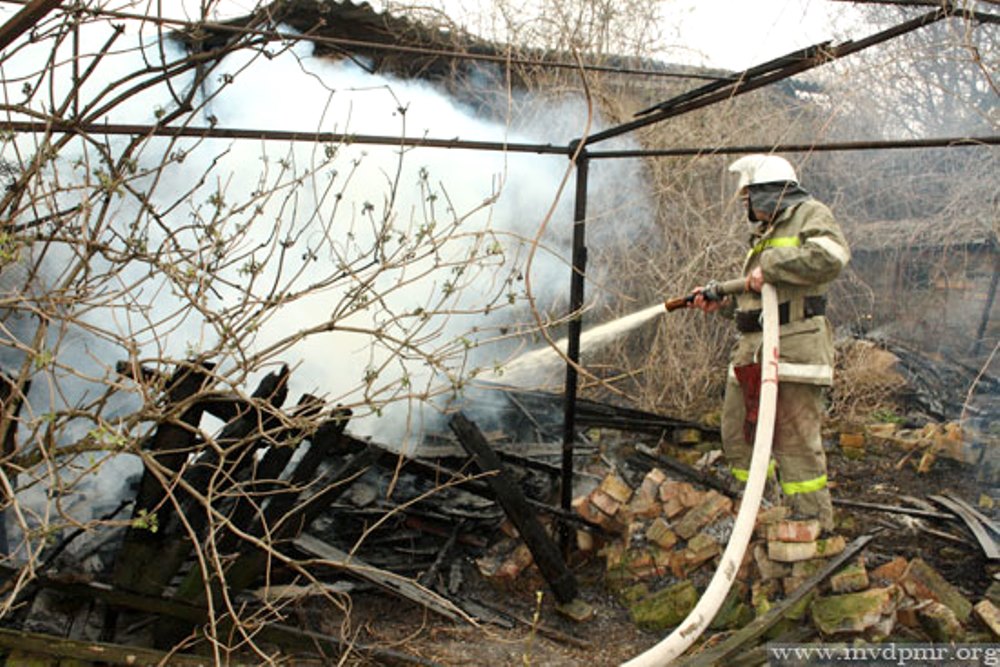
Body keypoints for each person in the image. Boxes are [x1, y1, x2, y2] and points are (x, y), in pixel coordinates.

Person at [689, 154, 850, 531]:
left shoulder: (810, 214)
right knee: (738, 435)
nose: (746, 205)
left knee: (794, 440)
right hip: (752, 352)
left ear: (769, 192)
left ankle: (811, 523)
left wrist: (773, 266)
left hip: (794, 348)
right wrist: (724, 304)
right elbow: (760, 302)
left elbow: (832, 257)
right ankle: (759, 509)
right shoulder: (764, 234)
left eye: (748, 196)